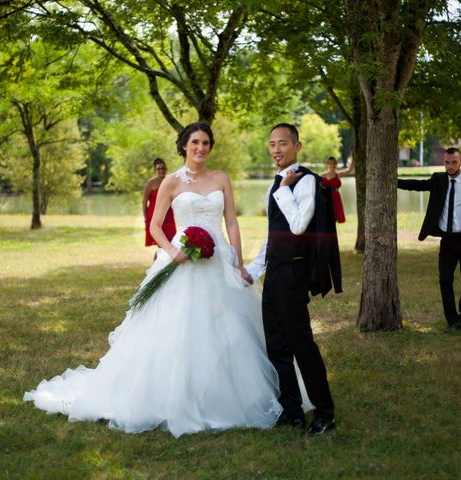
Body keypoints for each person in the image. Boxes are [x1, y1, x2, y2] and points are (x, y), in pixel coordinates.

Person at [24, 123, 282, 437]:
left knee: (230, 326)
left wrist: (238, 262)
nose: (201, 148)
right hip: (181, 261)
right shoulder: (170, 182)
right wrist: (173, 251)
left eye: (206, 143)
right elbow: (156, 225)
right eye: (195, 142)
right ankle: (169, 396)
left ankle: (231, 393)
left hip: (219, 261)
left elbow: (231, 222)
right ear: (184, 145)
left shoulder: (221, 178)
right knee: (175, 328)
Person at [247, 123, 336, 436]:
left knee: (302, 345)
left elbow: (298, 225)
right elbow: (275, 234)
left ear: (297, 146)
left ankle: (325, 412)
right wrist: (254, 269)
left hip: (294, 273)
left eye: (282, 143)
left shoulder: (306, 181)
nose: (275, 150)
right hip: (275, 274)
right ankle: (292, 411)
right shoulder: (279, 182)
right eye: (271, 144)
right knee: (277, 347)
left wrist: (285, 188)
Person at [397, 147, 461, 333]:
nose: (449, 166)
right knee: (445, 279)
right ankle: (451, 320)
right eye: (446, 163)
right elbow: (417, 185)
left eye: (453, 162)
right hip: (448, 240)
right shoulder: (438, 180)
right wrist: (394, 182)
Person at [142, 158, 176, 247]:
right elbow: (144, 202)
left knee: (172, 241)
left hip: (169, 216)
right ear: (155, 170)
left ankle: (166, 259)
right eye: (158, 169)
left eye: (163, 168)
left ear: (166, 169)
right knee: (160, 244)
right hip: (154, 216)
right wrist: (146, 219)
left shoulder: (170, 181)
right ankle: (159, 260)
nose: (161, 170)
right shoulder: (150, 183)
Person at [320, 156, 354, 223]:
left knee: (334, 217)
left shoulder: (338, 175)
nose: (332, 165)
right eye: (330, 163)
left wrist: (353, 157)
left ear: (336, 164)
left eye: (334, 163)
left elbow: (350, 170)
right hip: (326, 198)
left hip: (336, 197)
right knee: (327, 217)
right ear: (327, 165)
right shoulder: (322, 175)